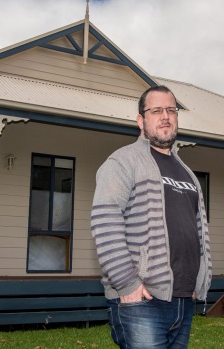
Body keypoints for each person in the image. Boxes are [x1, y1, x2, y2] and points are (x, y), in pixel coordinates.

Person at [91, 85, 212, 348]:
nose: (165, 116)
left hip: (182, 300)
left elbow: (197, 230)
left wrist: (196, 281)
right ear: (141, 120)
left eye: (171, 110)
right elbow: (105, 222)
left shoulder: (186, 172)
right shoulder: (123, 162)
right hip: (142, 301)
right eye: (156, 110)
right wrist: (127, 284)